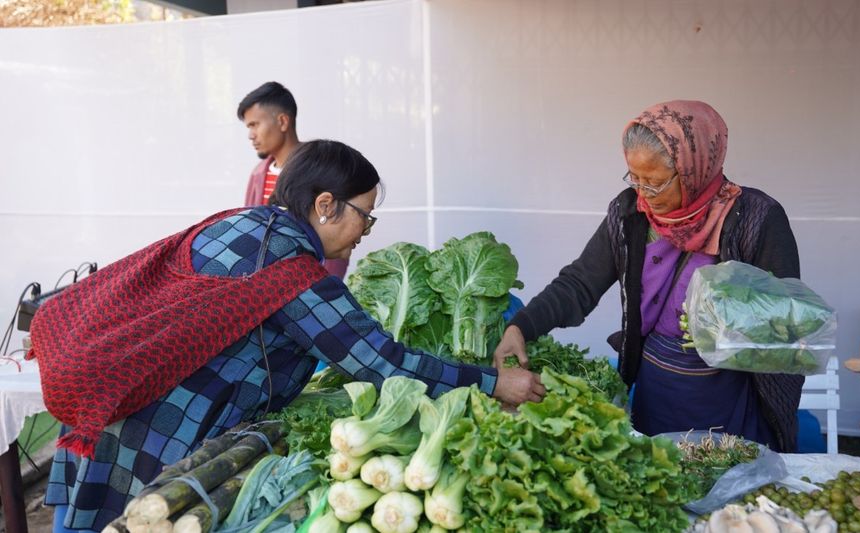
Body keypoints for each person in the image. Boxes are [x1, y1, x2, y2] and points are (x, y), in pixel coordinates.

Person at [34, 139, 544, 532]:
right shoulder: (288, 271)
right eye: (365, 216)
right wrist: (492, 382)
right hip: (153, 436)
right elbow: (381, 362)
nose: (366, 232)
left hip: (105, 413)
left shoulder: (237, 223)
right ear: (325, 205)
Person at [494, 100, 803, 453]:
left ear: (693, 170)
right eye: (635, 178)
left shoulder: (756, 220)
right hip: (657, 393)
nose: (643, 194)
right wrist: (520, 327)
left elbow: (789, 322)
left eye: (655, 183)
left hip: (732, 399)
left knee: (728, 479)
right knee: (659, 471)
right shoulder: (630, 213)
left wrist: (725, 322)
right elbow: (580, 282)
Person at [238, 81, 348, 278]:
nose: (250, 135)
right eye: (248, 127)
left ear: (282, 122)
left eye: (255, 124)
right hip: (267, 284)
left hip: (312, 284)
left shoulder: (321, 168)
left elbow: (338, 232)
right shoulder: (258, 175)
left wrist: (327, 286)